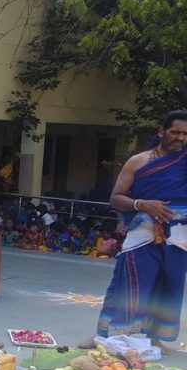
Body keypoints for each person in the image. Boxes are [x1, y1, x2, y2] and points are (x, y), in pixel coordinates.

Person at [80, 112, 187, 352]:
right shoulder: (138, 161)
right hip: (142, 235)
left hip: (179, 238)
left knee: (166, 288)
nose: (181, 138)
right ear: (162, 131)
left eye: (185, 134)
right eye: (175, 132)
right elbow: (116, 198)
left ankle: (153, 337)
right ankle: (105, 335)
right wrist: (143, 204)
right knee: (126, 286)